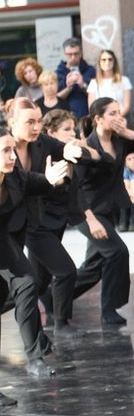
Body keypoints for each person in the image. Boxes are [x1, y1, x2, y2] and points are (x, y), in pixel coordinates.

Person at [7, 98, 97, 340]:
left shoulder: (41, 142)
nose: (37, 127)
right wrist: (46, 179)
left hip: (35, 221)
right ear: (12, 122)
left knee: (34, 283)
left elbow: (64, 149)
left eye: (39, 121)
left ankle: (48, 330)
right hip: (10, 224)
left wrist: (73, 151)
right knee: (62, 272)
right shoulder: (4, 146)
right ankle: (60, 324)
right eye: (30, 122)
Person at [74, 97, 134, 326]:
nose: (118, 117)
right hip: (87, 211)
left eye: (119, 112)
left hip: (108, 209)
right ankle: (109, 309)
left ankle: (54, 298)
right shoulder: (86, 146)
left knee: (94, 267)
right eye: (112, 113)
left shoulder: (120, 141)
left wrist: (127, 132)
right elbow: (77, 189)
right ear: (98, 119)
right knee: (118, 252)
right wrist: (91, 220)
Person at [0, 125, 71, 383]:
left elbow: (34, 182)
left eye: (12, 150)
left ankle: (35, 358)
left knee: (27, 284)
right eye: (5, 150)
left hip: (5, 243)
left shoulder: (14, 176)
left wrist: (50, 179)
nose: (12, 156)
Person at [33, 109, 94, 339]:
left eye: (73, 129)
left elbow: (84, 167)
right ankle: (61, 323)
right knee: (65, 271)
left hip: (57, 221)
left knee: (39, 282)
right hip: (40, 224)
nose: (72, 133)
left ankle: (55, 315)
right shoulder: (42, 154)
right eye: (66, 129)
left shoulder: (68, 153)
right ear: (51, 132)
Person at [55, 37, 95, 119]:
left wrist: (83, 85)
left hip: (86, 117)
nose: (73, 57)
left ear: (81, 53)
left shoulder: (91, 71)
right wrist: (68, 88)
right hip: (64, 118)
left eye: (76, 54)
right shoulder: (58, 73)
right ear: (64, 54)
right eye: (69, 54)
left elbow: (97, 96)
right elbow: (54, 99)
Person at [86, 49, 132, 115]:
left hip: (119, 117)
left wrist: (117, 118)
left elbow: (126, 105)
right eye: (104, 60)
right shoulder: (93, 83)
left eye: (110, 59)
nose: (107, 62)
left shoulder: (124, 80)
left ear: (114, 62)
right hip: (101, 119)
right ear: (99, 62)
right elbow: (92, 107)